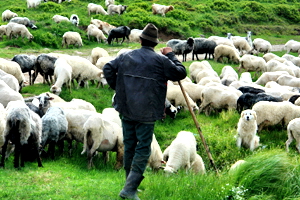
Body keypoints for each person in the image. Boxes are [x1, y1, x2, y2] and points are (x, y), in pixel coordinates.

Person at [103, 23, 187, 200]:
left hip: (126, 109)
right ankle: (129, 189)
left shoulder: (126, 56)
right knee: (142, 149)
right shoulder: (161, 60)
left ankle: (129, 184)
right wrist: (171, 54)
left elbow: (107, 68)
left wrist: (118, 89)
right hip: (147, 112)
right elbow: (180, 73)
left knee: (130, 145)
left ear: (140, 40)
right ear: (155, 44)